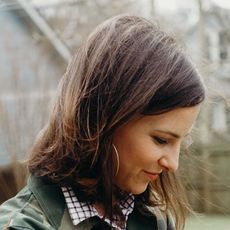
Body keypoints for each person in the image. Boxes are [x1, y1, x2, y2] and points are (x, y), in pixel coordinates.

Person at [0, 15, 205, 230]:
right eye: (161, 140)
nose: (173, 164)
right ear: (105, 118)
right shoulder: (22, 225)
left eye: (183, 141)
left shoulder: (156, 223)